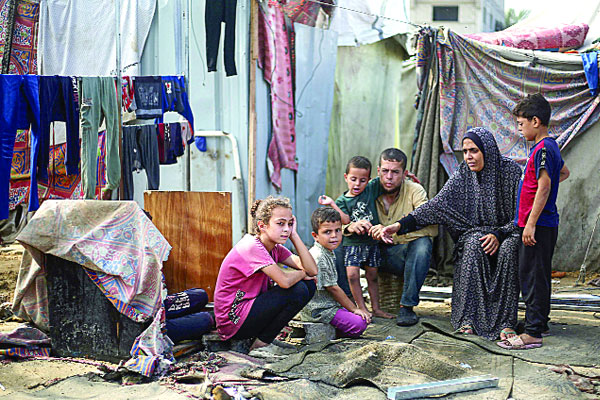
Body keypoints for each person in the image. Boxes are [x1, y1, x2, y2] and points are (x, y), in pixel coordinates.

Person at [381, 127, 523, 340]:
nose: (468, 157)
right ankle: (468, 319)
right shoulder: (464, 174)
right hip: (476, 233)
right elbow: (436, 206)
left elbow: (521, 216)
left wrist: (499, 234)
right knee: (475, 243)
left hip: (508, 233)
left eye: (474, 151)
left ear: (488, 150)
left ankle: (505, 322)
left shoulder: (510, 172)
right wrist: (400, 225)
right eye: (465, 152)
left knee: (509, 249)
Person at [497, 94, 570, 350]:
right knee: (538, 274)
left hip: (538, 225)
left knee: (532, 277)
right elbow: (563, 172)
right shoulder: (550, 148)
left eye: (520, 123)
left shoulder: (543, 148)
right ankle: (539, 322)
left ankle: (533, 333)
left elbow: (546, 184)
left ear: (535, 121)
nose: (519, 128)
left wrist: (530, 223)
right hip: (543, 223)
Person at [213, 196, 317, 353]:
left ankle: (264, 340)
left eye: (290, 224)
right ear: (262, 225)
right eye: (280, 224)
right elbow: (285, 282)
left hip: (249, 312)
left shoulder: (275, 248)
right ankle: (262, 344)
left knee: (308, 285)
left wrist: (295, 236)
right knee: (298, 289)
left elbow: (313, 270)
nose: (286, 229)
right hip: (233, 320)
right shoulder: (251, 247)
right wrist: (302, 274)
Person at [366, 148, 437, 326]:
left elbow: (431, 226)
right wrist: (366, 228)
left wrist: (396, 230)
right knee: (337, 241)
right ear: (378, 171)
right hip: (371, 254)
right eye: (385, 171)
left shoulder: (415, 190)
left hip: (402, 255)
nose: (389, 177)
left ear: (405, 173)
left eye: (395, 172)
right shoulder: (367, 189)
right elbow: (344, 217)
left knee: (422, 245)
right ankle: (347, 302)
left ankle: (407, 306)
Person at [319, 156, 394, 319]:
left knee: (373, 276)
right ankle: (361, 307)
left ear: (369, 180)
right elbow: (344, 220)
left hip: (371, 242)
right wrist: (332, 204)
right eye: (353, 179)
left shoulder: (371, 189)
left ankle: (376, 308)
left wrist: (407, 177)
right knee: (352, 275)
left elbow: (387, 177)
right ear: (346, 177)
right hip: (352, 243)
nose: (357, 184)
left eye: (362, 180)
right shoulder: (342, 200)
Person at [300, 207, 371, 338]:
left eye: (337, 230)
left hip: (330, 305)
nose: (334, 236)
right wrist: (354, 309)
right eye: (327, 232)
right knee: (360, 323)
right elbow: (333, 288)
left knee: (361, 316)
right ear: (315, 236)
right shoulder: (319, 256)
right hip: (320, 310)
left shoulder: (327, 251)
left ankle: (341, 323)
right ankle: (335, 330)